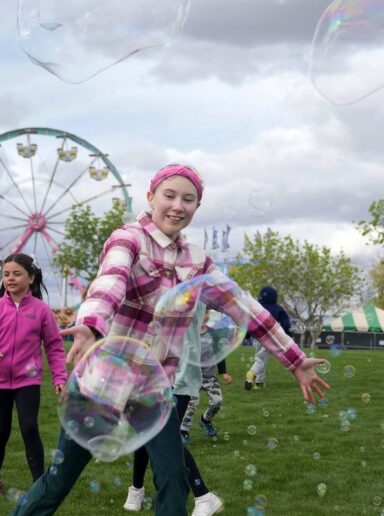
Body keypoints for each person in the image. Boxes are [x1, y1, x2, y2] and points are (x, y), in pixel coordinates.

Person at [12, 164, 329, 516]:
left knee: (174, 478)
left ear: (196, 207)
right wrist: (90, 325)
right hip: (102, 384)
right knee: (58, 480)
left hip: (153, 389)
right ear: (150, 198)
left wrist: (295, 360)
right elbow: (110, 282)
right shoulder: (127, 239)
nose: (178, 205)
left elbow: (246, 307)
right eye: (170, 195)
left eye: (188, 199)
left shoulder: (197, 262)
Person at [124, 304, 223, 514]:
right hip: (153, 372)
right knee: (146, 431)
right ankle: (137, 488)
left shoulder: (193, 286)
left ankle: (203, 494)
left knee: (164, 437)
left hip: (180, 376)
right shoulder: (160, 283)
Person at [0, 254, 67, 493]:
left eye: (16, 274)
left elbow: (54, 347)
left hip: (27, 381)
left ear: (31, 278)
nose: (10, 278)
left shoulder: (41, 310)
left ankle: (40, 484)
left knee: (29, 427)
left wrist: (59, 377)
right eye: (6, 274)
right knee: (0, 431)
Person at [181, 308, 232, 442]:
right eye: (203, 312)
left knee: (217, 401)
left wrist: (223, 372)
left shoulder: (213, 334)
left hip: (209, 377)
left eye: (207, 313)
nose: (205, 315)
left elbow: (219, 354)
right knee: (191, 405)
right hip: (193, 378)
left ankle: (205, 420)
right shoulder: (189, 333)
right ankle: (183, 431)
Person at [245, 285, 291, 391]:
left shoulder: (256, 308)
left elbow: (249, 323)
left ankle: (259, 383)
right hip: (271, 338)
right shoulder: (279, 309)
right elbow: (286, 324)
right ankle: (253, 374)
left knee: (259, 358)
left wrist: (247, 336)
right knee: (262, 359)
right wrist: (287, 336)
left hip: (257, 337)